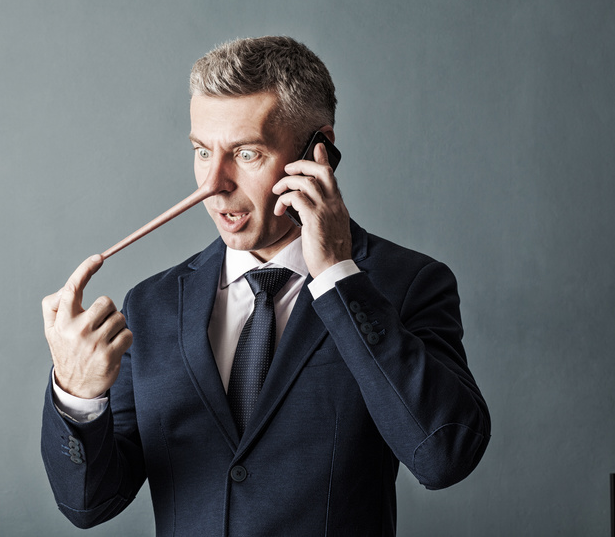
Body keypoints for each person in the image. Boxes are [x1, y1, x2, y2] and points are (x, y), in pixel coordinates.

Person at [40, 36, 490, 536]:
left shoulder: (406, 284)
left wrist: (339, 277)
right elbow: (90, 504)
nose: (213, 185)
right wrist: (76, 394)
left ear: (320, 150)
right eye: (201, 151)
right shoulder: (152, 305)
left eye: (246, 154)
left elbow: (445, 456)